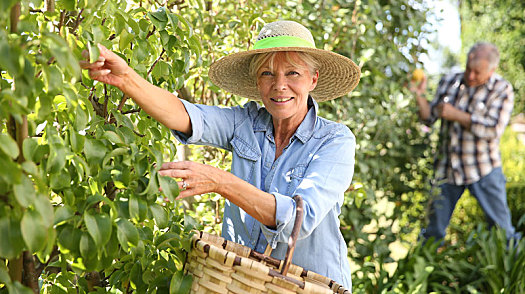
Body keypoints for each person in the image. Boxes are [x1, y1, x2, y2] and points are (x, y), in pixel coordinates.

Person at [80, 20, 361, 288]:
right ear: (256, 82)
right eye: (267, 74)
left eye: (293, 73)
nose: (279, 85)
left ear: (313, 79)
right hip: (246, 285)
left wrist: (220, 182)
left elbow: (299, 219)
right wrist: (126, 78)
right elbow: (185, 114)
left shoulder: (334, 141)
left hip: (312, 288)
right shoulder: (246, 123)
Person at [410, 42, 519, 243]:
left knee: (502, 230)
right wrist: (418, 94)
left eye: (477, 72)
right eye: (469, 69)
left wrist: (456, 115)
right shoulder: (450, 81)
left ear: (492, 70)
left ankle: (511, 270)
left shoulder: (502, 89)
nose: (470, 76)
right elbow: (428, 117)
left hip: (484, 169)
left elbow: (493, 130)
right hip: (447, 170)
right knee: (433, 231)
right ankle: (426, 270)